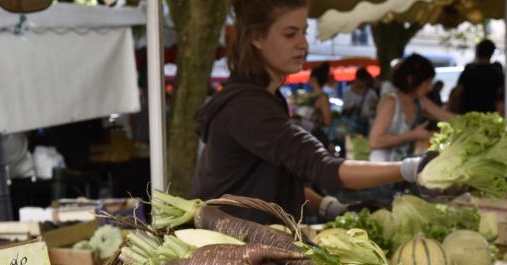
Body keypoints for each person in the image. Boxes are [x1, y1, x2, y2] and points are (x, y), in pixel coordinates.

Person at [190, 0, 430, 223]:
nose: (303, 43)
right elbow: (325, 168)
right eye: (290, 34)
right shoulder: (247, 107)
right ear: (256, 38)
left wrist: (328, 207)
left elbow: (277, 182)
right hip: (225, 254)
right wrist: (411, 169)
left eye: (304, 32)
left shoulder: (265, 98)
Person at [369, 54, 453, 164]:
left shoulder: (419, 101)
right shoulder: (391, 102)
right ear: (411, 79)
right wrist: (412, 135)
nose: (430, 87)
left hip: (400, 171)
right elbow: (375, 142)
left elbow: (446, 116)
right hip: (380, 171)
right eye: (427, 82)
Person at [455, 39, 504, 114]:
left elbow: (457, 92)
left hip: (468, 115)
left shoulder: (469, 70)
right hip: (489, 116)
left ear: (477, 52)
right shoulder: (497, 73)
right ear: (492, 53)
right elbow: (501, 99)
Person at [340, 67, 378, 136]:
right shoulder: (348, 91)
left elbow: (376, 109)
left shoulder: (371, 93)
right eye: (361, 80)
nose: (363, 83)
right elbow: (344, 108)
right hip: (348, 126)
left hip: (365, 127)